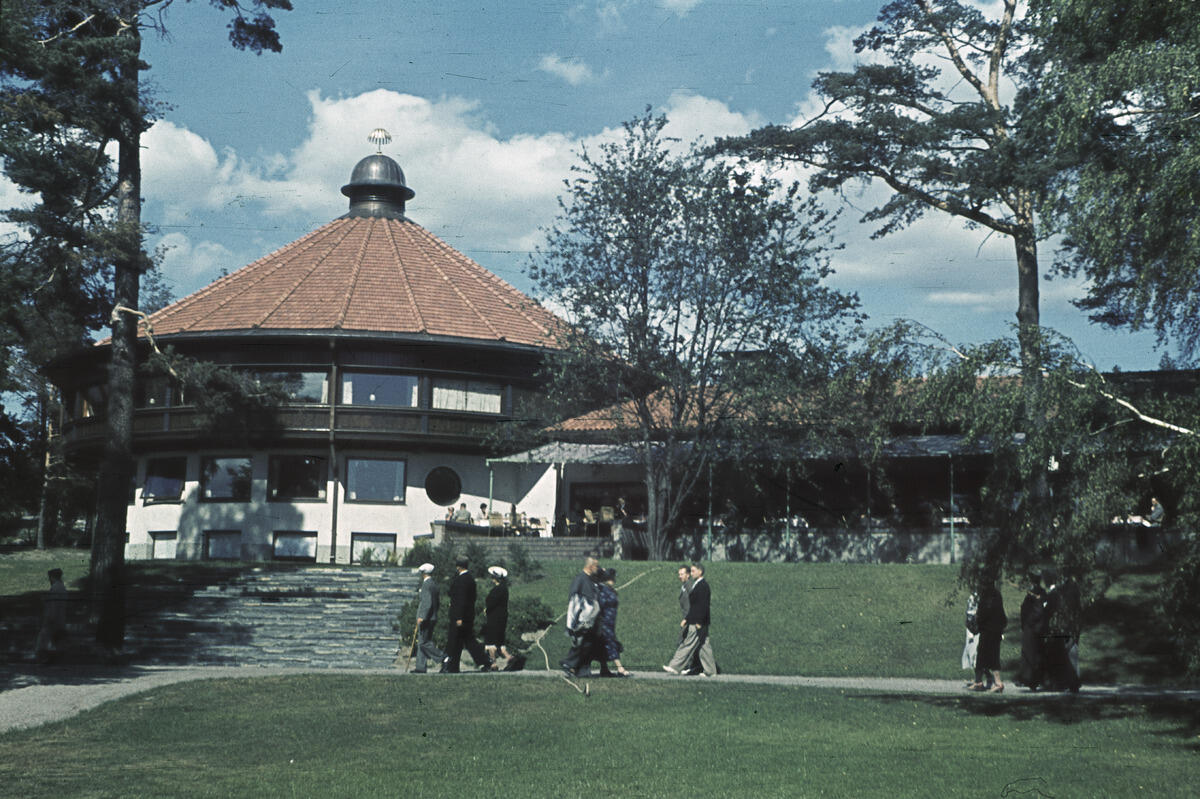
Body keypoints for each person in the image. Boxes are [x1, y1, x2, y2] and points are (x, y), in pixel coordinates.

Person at [663, 562, 716, 677]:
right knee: (704, 646)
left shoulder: (703, 586)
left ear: (700, 572)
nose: (691, 574)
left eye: (693, 571)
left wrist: (698, 622)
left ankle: (674, 666)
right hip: (697, 620)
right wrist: (686, 619)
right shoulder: (698, 585)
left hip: (697, 622)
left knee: (687, 644)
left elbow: (702, 605)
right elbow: (694, 605)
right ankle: (710, 671)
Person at [443, 556, 494, 673]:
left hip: (459, 616)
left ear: (458, 567)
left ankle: (452, 666)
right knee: (469, 641)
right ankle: (485, 661)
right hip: (468, 615)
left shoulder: (461, 580)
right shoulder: (470, 579)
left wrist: (459, 616)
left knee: (454, 641)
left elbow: (461, 600)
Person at [560, 555, 601, 677]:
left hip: (589, 619)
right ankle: (568, 663)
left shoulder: (589, 579)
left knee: (588, 644)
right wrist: (573, 622)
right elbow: (574, 601)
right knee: (582, 644)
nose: (598, 569)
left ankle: (581, 671)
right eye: (596, 566)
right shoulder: (580, 579)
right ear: (590, 566)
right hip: (582, 619)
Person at [972, 576, 1007, 693]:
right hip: (996, 630)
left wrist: (977, 619)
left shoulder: (986, 597)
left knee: (982, 655)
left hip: (987, 631)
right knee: (993, 656)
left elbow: (983, 614)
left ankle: (989, 682)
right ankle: (985, 681)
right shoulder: (997, 595)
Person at [596, 568, 631, 677]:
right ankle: (620, 668)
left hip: (610, 622)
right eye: (612, 578)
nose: (614, 580)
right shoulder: (602, 590)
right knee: (610, 643)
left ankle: (604, 669)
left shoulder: (609, 589)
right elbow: (599, 605)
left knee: (603, 645)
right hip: (604, 622)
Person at [412, 562, 446, 673]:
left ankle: (443, 657)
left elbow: (427, 602)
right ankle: (420, 667)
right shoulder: (434, 584)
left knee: (423, 643)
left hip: (426, 618)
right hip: (432, 617)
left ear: (423, 573)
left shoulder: (426, 584)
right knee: (422, 641)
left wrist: (422, 616)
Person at [1017, 572, 1048, 690]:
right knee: (1032, 654)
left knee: (1031, 654)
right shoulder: (1039, 592)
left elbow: (1037, 610)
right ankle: (1029, 678)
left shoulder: (1035, 593)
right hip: (1034, 627)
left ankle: (1030, 679)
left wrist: (1028, 622)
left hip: (1032, 627)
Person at [34, 568, 69, 664]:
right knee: (56, 639)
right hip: (60, 618)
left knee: (43, 640)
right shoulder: (62, 587)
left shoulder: (55, 588)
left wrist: (49, 618)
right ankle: (54, 659)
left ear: (52, 577)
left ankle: (43, 659)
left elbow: (53, 605)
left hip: (53, 619)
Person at [483, 566, 513, 665]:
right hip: (502, 617)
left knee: (491, 640)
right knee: (500, 640)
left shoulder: (497, 590)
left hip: (494, 617)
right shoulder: (504, 589)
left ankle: (493, 663)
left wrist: (487, 609)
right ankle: (509, 657)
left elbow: (491, 602)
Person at [962, 590, 980, 684]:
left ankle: (979, 679)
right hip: (971, 626)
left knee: (975, 653)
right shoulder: (972, 597)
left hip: (976, 627)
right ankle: (977, 678)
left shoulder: (980, 597)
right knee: (970, 651)